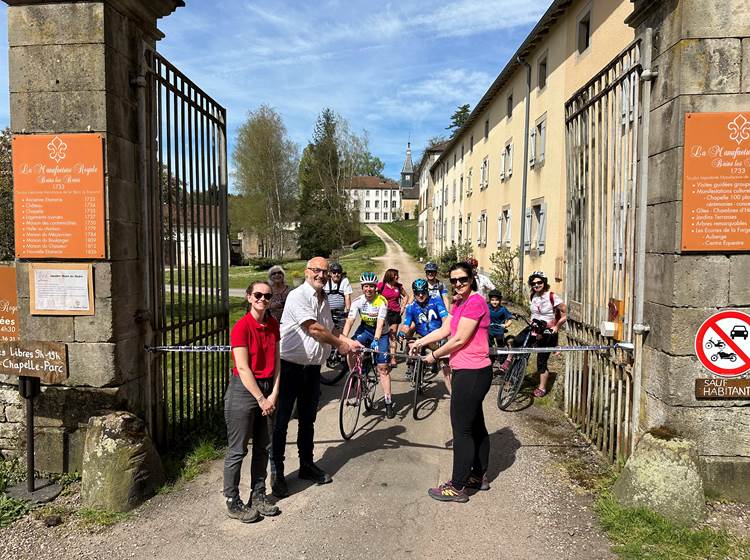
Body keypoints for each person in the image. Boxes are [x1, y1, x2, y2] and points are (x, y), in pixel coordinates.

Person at [271, 257, 360, 498]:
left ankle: (306, 465)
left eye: (325, 271)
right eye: (316, 271)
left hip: (311, 369)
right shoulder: (298, 296)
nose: (321, 275)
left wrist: (348, 340)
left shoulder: (322, 300)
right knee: (281, 423)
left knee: (307, 420)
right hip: (289, 367)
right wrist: (340, 343)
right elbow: (314, 329)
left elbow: (329, 328)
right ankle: (277, 472)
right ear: (307, 272)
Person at [411, 262, 492, 503]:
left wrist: (434, 355)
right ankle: (478, 476)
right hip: (466, 371)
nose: (457, 284)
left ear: (472, 279)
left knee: (462, 430)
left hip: (473, 372)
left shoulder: (476, 301)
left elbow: (458, 339)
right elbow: (446, 329)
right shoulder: (458, 302)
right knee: (475, 425)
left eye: (462, 280)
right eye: (454, 280)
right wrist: (421, 341)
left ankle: (457, 486)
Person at [224, 281, 281, 523]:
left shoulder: (273, 324)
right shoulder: (241, 327)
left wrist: (273, 395)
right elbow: (244, 368)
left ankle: (258, 494)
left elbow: (278, 362)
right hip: (244, 391)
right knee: (238, 449)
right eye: (257, 295)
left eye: (267, 296)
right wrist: (260, 398)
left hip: (268, 389)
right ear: (249, 297)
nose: (262, 299)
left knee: (263, 447)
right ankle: (232, 500)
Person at [500, 271, 566, 397]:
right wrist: (531, 320)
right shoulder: (533, 295)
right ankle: (509, 362)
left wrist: (557, 326)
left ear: (544, 282)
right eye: (533, 283)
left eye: (539, 282)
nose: (536, 285)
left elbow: (565, 313)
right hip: (534, 327)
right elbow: (534, 312)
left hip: (548, 330)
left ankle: (542, 388)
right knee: (516, 342)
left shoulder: (552, 296)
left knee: (541, 361)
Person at [342, 272, 395, 419]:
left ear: (375, 287)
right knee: (351, 349)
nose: (369, 289)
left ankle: (388, 401)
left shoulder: (382, 301)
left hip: (381, 333)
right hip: (365, 330)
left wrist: (376, 339)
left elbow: (380, 323)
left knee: (383, 368)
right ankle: (357, 375)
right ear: (362, 287)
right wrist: (344, 339)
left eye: (371, 286)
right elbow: (350, 320)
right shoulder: (357, 301)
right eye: (366, 286)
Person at [398, 278, 451, 393]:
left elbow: (445, 319)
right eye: (417, 293)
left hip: (437, 336)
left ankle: (454, 394)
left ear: (427, 290)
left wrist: (444, 336)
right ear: (414, 293)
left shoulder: (436, 301)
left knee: (446, 368)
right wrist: (401, 333)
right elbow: (406, 324)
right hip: (420, 336)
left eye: (423, 292)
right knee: (410, 345)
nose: (421, 295)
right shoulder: (411, 307)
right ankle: (412, 366)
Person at [377, 268, 407, 368]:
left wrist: (403, 306)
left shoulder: (399, 286)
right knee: (382, 333)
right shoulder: (381, 285)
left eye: (397, 275)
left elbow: (406, 296)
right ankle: (381, 354)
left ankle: (393, 357)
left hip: (395, 312)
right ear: (389, 276)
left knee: (392, 335)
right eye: (395, 275)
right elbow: (373, 294)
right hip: (383, 312)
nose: (397, 277)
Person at [488, 289, 512, 362]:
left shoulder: (503, 309)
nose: (494, 302)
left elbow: (510, 319)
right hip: (490, 329)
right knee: (488, 343)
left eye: (496, 300)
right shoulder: (487, 307)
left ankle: (502, 356)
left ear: (500, 300)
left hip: (499, 329)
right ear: (490, 300)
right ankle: (491, 355)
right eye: (492, 300)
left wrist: (506, 325)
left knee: (500, 343)